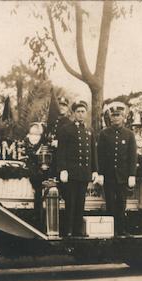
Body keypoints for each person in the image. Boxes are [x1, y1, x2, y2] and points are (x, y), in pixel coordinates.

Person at [57, 100, 99, 237]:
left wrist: (94, 170)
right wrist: (63, 169)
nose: (81, 114)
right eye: (78, 112)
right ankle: (68, 231)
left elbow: (93, 152)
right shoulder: (66, 129)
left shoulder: (89, 130)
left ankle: (77, 230)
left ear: (86, 113)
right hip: (71, 173)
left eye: (83, 112)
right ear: (74, 113)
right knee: (70, 202)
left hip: (84, 173)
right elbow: (61, 151)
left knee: (81, 202)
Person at [97, 101, 137, 236]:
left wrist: (132, 175)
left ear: (123, 117)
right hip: (108, 176)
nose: (115, 118)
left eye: (118, 115)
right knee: (110, 203)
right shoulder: (104, 134)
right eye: (113, 116)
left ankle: (121, 230)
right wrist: (100, 173)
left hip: (122, 176)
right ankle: (110, 230)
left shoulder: (129, 134)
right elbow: (100, 155)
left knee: (121, 203)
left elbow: (132, 156)